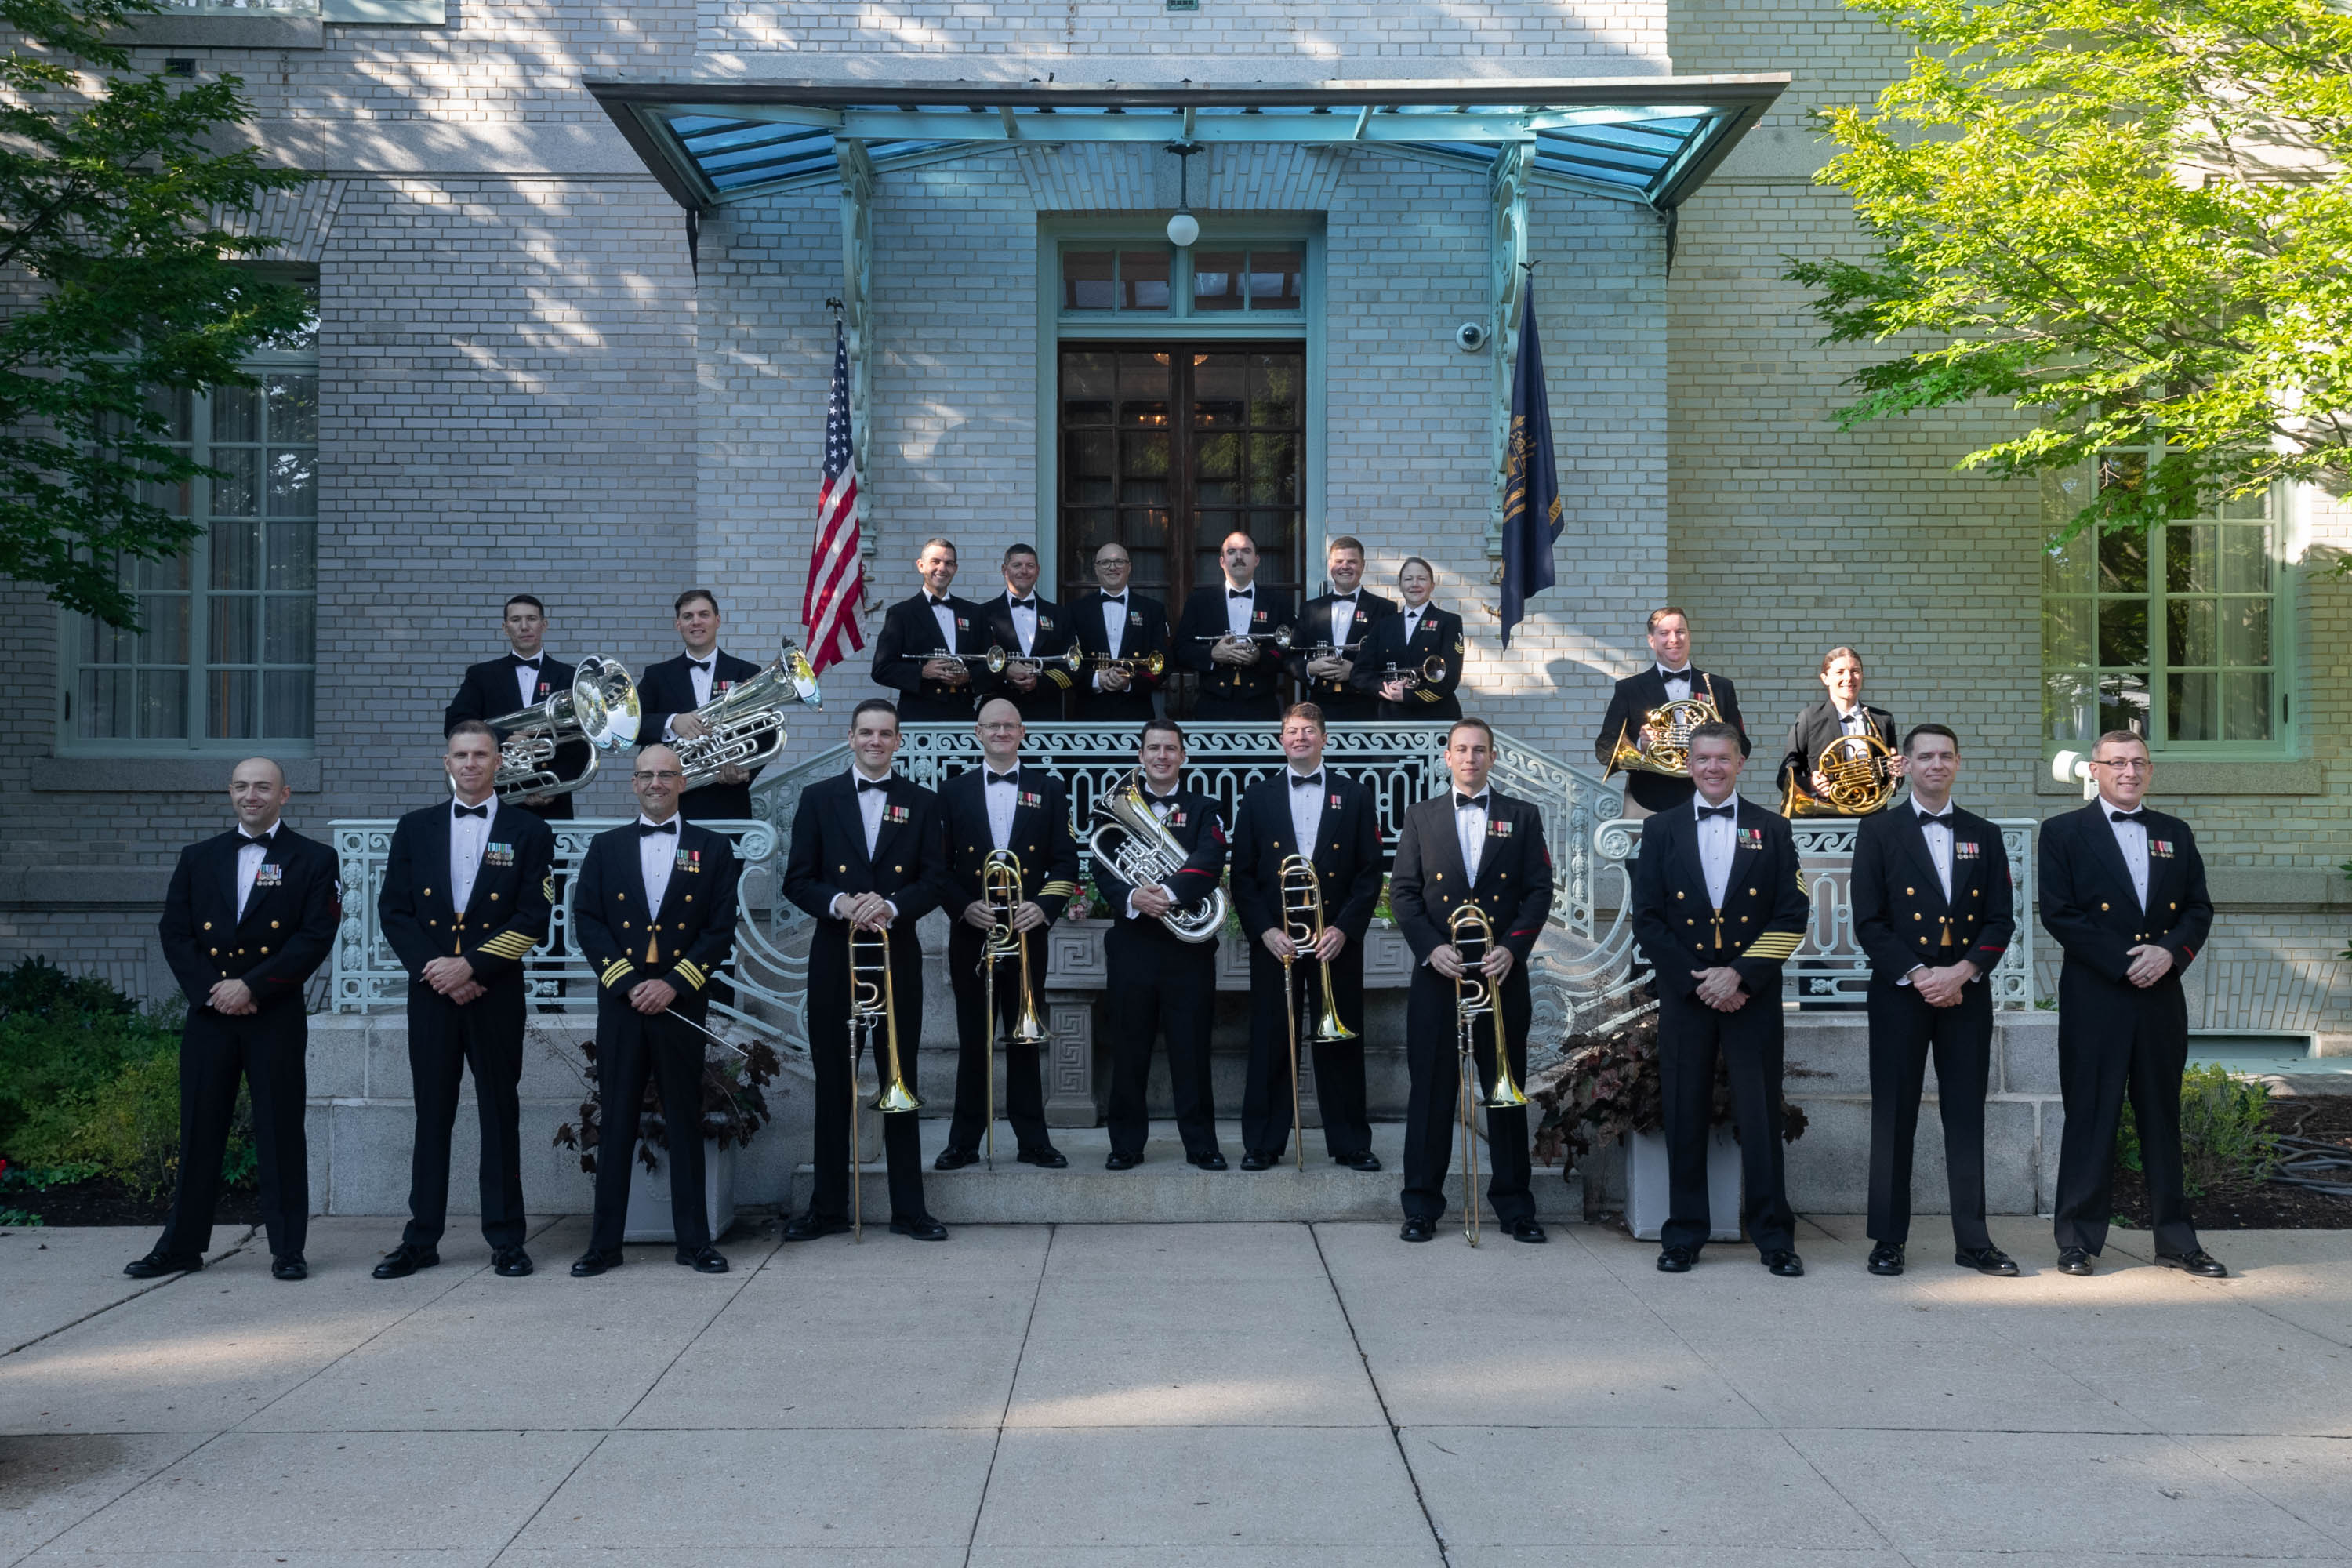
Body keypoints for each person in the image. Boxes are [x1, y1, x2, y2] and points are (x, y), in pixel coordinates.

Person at [129, 757, 339, 1282]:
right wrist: (213, 991)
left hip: (275, 1014)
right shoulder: (199, 858)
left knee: (280, 1131)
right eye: (242, 787)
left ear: (284, 794)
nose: (252, 795)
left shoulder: (314, 859)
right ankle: (181, 1246)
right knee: (199, 1130)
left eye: (263, 787)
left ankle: (288, 1249)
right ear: (230, 793)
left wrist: (253, 986)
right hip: (211, 1014)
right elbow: (175, 932)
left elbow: (314, 937)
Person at [372, 723, 556, 1280]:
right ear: (445, 762)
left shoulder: (530, 830)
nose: (471, 763)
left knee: (500, 1113)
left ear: (500, 762)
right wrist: (440, 973)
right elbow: (394, 911)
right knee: (432, 1116)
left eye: (481, 755)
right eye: (461, 755)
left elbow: (534, 917)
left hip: (495, 991)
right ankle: (421, 1239)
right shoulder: (415, 828)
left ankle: (506, 1240)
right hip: (432, 994)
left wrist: (472, 967)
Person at [2039, 730, 2223, 1278]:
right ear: (2094, 770)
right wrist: (2127, 961)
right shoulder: (2063, 832)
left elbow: (2198, 908)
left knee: (2161, 1119)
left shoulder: (2174, 833)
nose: (2129, 771)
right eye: (2116, 762)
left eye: (2138, 762)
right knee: (2090, 1117)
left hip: (2161, 995)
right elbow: (2059, 912)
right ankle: (2077, 1240)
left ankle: (2176, 1240)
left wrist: (2169, 953)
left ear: (2149, 771)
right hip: (2098, 993)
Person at [1629, 722, 1808, 1276]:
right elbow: (1649, 919)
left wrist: (1740, 976)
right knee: (1684, 1113)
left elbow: (1791, 915)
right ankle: (1683, 1234)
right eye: (1702, 759)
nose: (1712, 768)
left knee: (1759, 1116)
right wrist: (1700, 979)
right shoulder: (1660, 830)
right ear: (1689, 765)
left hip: (1749, 994)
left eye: (1722, 759)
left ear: (1740, 763)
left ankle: (1774, 1236)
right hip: (1688, 993)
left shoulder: (1772, 828)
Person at [780, 699, 953, 1240]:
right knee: (834, 1082)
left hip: (895, 954)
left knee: (899, 1079)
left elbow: (935, 878)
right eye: (866, 733)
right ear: (850, 738)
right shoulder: (818, 798)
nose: (876, 742)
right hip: (836, 955)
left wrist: (892, 906)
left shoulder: (923, 803)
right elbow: (798, 879)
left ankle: (910, 1209)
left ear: (898, 741)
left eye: (886, 734)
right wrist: (842, 904)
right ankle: (827, 1208)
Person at [567, 744, 742, 1276]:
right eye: (647, 775)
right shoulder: (606, 847)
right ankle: (604, 1245)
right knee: (616, 1119)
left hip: (679, 1001)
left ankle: (695, 1242)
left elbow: (719, 928)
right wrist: (625, 984)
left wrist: (672, 984)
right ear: (633, 783)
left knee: (685, 1118)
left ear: (683, 782)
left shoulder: (713, 849)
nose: (656, 783)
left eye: (667, 775)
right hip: (623, 1005)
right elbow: (588, 920)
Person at [1851, 724, 2017, 1277]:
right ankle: (1888, 1240)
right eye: (1925, 756)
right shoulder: (1878, 831)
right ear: (1906, 765)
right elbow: (1869, 922)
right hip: (1903, 990)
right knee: (1894, 1115)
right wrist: (1922, 974)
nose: (1936, 765)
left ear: (1958, 763)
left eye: (1946, 755)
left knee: (1966, 1115)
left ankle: (1974, 1240)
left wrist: (1964, 972)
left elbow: (2001, 919)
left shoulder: (1983, 834)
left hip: (1965, 993)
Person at [1387, 718, 1553, 1243]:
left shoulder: (1522, 816)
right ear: (1446, 756)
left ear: (1493, 757)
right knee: (1432, 1094)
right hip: (1440, 973)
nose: (1471, 758)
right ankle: (1421, 1207)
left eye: (1480, 750)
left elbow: (1539, 890)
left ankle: (1515, 1207)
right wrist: (1430, 948)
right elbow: (1404, 894)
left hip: (1501, 973)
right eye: (1461, 749)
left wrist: (1513, 947)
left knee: (1504, 1093)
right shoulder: (1421, 816)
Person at [1229, 703, 1385, 1170]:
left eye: (1309, 730)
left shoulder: (1354, 795)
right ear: (1281, 740)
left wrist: (1343, 928)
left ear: (1324, 739)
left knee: (1339, 1041)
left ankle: (1351, 1142)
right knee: (1273, 1039)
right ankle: (1263, 1142)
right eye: (1292, 731)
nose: (1300, 737)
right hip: (1278, 942)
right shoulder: (1258, 797)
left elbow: (1369, 872)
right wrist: (1265, 930)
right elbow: (1243, 876)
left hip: (1333, 940)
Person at [936, 699, 1080, 1171]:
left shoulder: (1050, 789)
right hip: (973, 932)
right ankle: (964, 1141)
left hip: (1025, 932)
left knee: (1024, 1039)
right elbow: (937, 867)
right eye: (992, 725)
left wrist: (1044, 906)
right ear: (978, 732)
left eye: (1009, 726)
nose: (1001, 732)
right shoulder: (952, 791)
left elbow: (1064, 861)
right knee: (974, 1038)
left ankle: (1033, 1140)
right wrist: (963, 906)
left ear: (1023, 732)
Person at [1094, 720, 1232, 1170]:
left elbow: (1209, 862)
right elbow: (1103, 867)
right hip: (1132, 944)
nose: (1161, 756)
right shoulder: (1112, 811)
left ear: (1183, 757)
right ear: (1141, 756)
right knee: (1129, 1047)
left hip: (1187, 953)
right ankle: (1126, 1145)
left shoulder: (1205, 808)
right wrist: (1132, 897)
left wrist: (1168, 895)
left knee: (1191, 1049)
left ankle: (1201, 1144)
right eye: (1153, 748)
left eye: (1170, 749)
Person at [442, 593, 584, 822]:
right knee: (498, 857)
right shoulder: (482, 676)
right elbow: (456, 722)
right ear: (505, 627)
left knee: (551, 858)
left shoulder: (569, 677)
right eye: (516, 620)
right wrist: (505, 737)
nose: (524, 626)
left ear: (544, 625)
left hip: (553, 802)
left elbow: (580, 740)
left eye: (532, 619)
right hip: (496, 796)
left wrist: (551, 786)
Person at [1594, 606, 1748, 816]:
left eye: (1680, 631)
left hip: (1706, 797)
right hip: (1647, 800)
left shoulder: (1720, 687)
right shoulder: (1629, 689)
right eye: (1664, 633)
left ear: (1689, 636)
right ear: (1651, 640)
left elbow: (1743, 745)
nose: (1674, 639)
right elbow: (1604, 747)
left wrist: (1718, 741)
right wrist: (1640, 746)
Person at [636, 589, 764, 821]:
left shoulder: (747, 673)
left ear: (717, 621)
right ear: (678, 625)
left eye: (703, 614)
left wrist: (746, 770)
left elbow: (768, 733)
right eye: (688, 616)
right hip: (671, 804)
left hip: (728, 800)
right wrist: (672, 722)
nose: (696, 622)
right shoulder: (656, 676)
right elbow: (632, 726)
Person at [1174, 531, 1297, 722]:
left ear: (1256, 560)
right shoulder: (1199, 601)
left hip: (1262, 707)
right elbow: (1180, 650)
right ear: (1222, 561)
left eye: (1246, 551)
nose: (1239, 557)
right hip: (1212, 708)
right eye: (1232, 552)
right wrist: (1213, 654)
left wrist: (1259, 657)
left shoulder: (1279, 602)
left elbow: (1290, 652)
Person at [872, 537, 994, 722]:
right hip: (918, 717)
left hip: (964, 716)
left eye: (949, 563)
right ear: (921, 566)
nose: (942, 568)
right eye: (935, 562)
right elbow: (881, 669)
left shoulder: (975, 613)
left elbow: (991, 665)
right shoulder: (901, 614)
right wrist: (922, 671)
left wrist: (969, 676)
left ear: (955, 569)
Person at [1777, 645, 1899, 815]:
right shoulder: (1809, 718)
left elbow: (1892, 784)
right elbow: (1785, 776)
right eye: (1840, 672)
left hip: (1874, 816)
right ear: (1825, 678)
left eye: (1855, 671)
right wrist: (1811, 783)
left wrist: (1896, 771)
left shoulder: (1883, 720)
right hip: (1825, 817)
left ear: (1862, 676)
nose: (1848, 678)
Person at [1290, 535, 1396, 722]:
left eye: (1352, 562)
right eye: (1339, 561)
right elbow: (1292, 656)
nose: (1345, 566)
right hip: (1318, 708)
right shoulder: (1310, 608)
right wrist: (1310, 668)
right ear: (1330, 565)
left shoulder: (1384, 609)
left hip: (1366, 708)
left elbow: (1391, 661)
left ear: (1363, 565)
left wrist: (1356, 672)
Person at [1349, 557, 1465, 721]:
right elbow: (1359, 674)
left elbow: (1450, 677)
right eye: (1408, 579)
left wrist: (1409, 695)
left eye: (1422, 579)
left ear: (1432, 586)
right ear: (1401, 586)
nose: (1414, 584)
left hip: (1437, 715)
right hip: (1391, 716)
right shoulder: (1383, 625)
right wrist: (1387, 689)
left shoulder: (1449, 622)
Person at [1068, 541, 1168, 725]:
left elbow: (1163, 662)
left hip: (1136, 712)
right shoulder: (1076, 610)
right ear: (1096, 569)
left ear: (1129, 567)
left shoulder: (1152, 610)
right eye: (1105, 563)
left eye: (1119, 562)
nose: (1112, 568)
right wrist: (1096, 679)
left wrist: (1129, 683)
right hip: (1089, 713)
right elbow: (1068, 661)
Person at [979, 543, 1078, 724]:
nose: (1024, 571)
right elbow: (976, 666)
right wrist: (1005, 673)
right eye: (1017, 565)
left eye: (1029, 566)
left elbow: (1072, 665)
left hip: (1046, 712)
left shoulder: (1059, 615)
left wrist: (1039, 683)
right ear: (1004, 570)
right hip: (998, 712)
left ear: (1038, 571)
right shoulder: (983, 614)